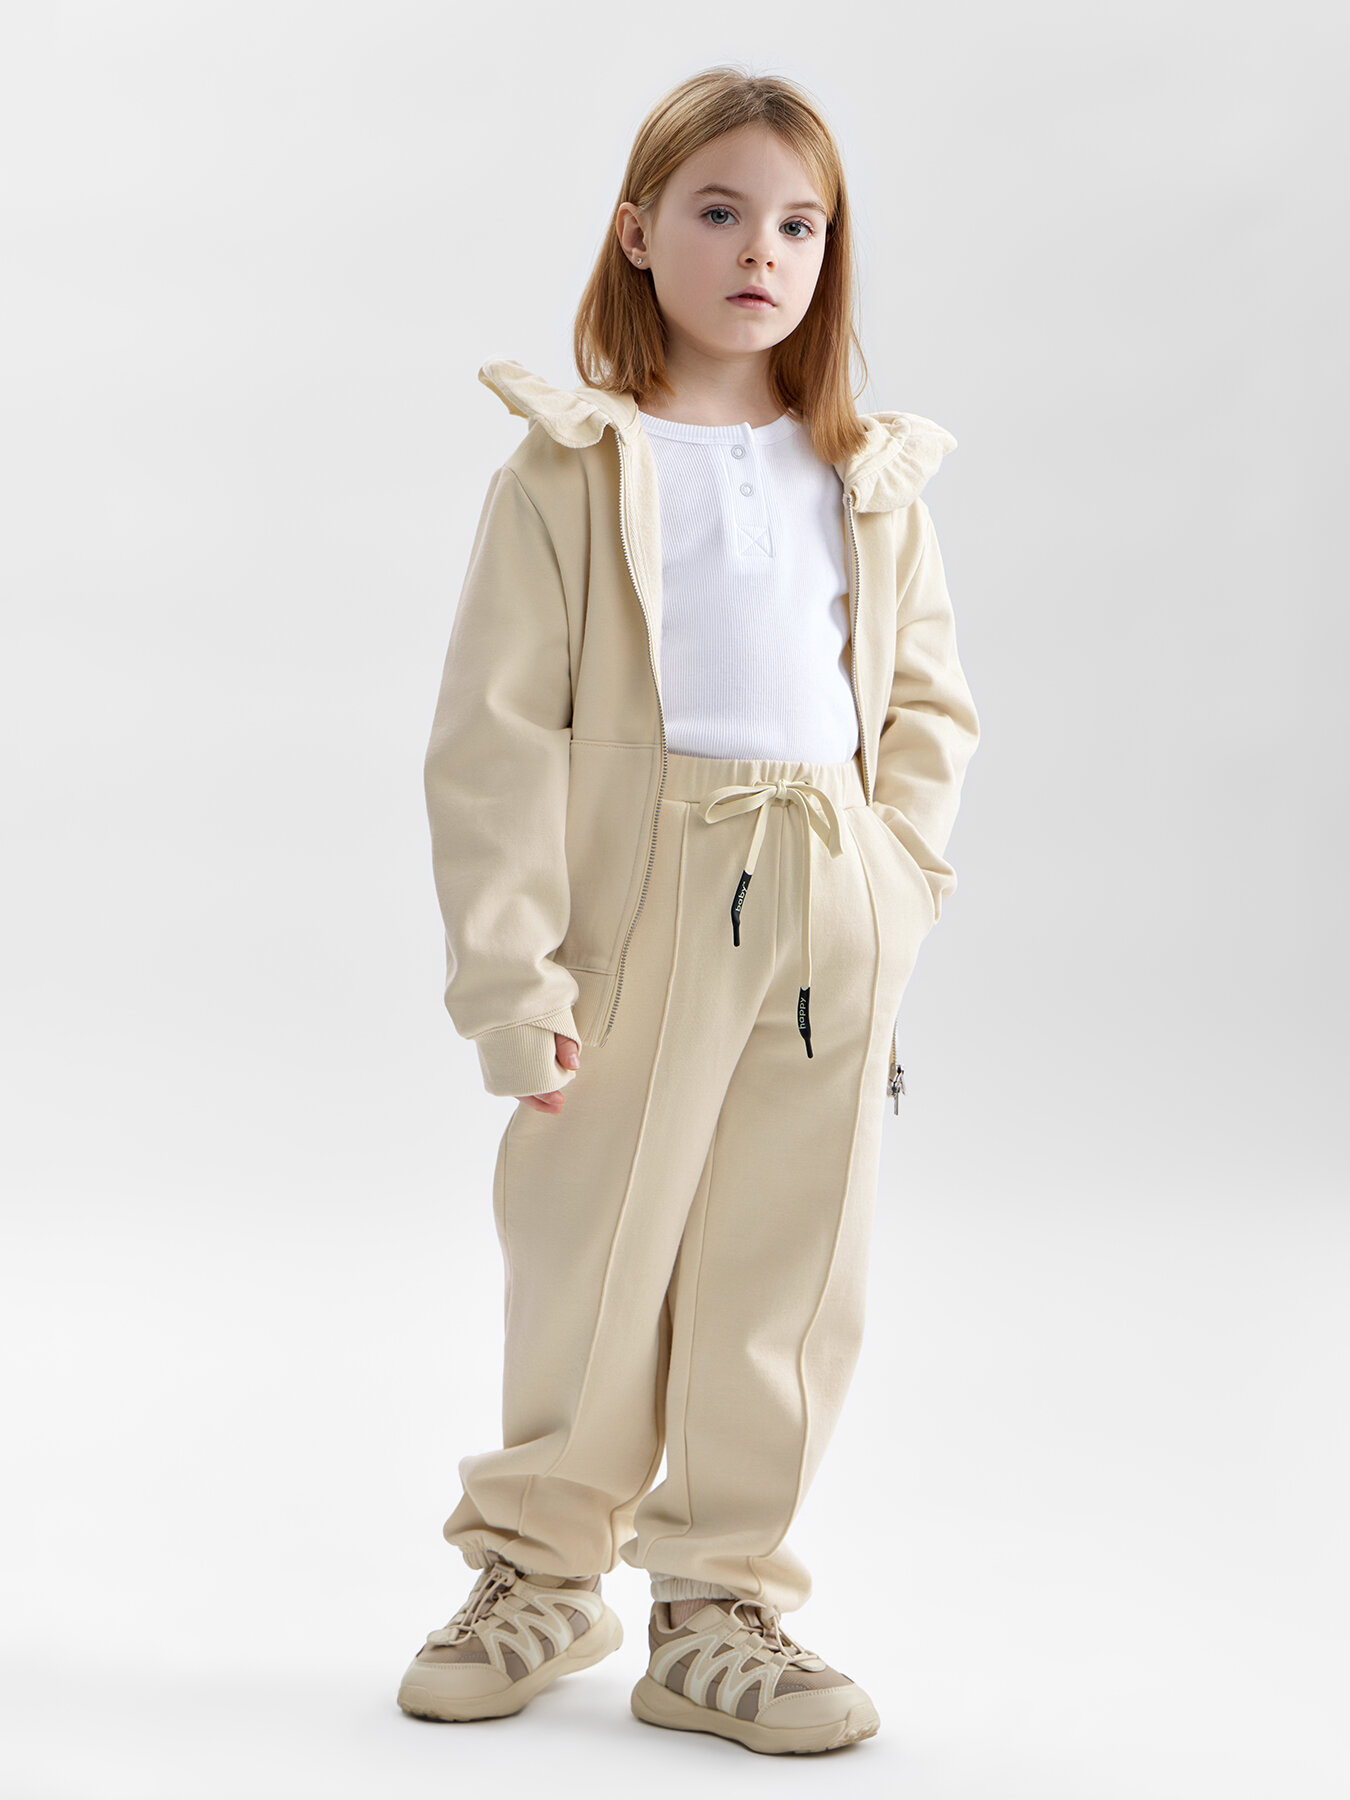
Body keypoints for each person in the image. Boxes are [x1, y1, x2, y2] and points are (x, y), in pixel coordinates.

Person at [396, 64, 980, 1756]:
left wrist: (891, 884)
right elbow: (494, 740)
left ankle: (719, 1604)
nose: (760, 252)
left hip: (825, 903)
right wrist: (512, 983)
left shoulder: (864, 474)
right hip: (636, 904)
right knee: (592, 1245)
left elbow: (927, 707)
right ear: (639, 234)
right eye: (720, 212)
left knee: (785, 1268)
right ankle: (536, 1569)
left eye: (799, 224)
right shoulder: (572, 472)